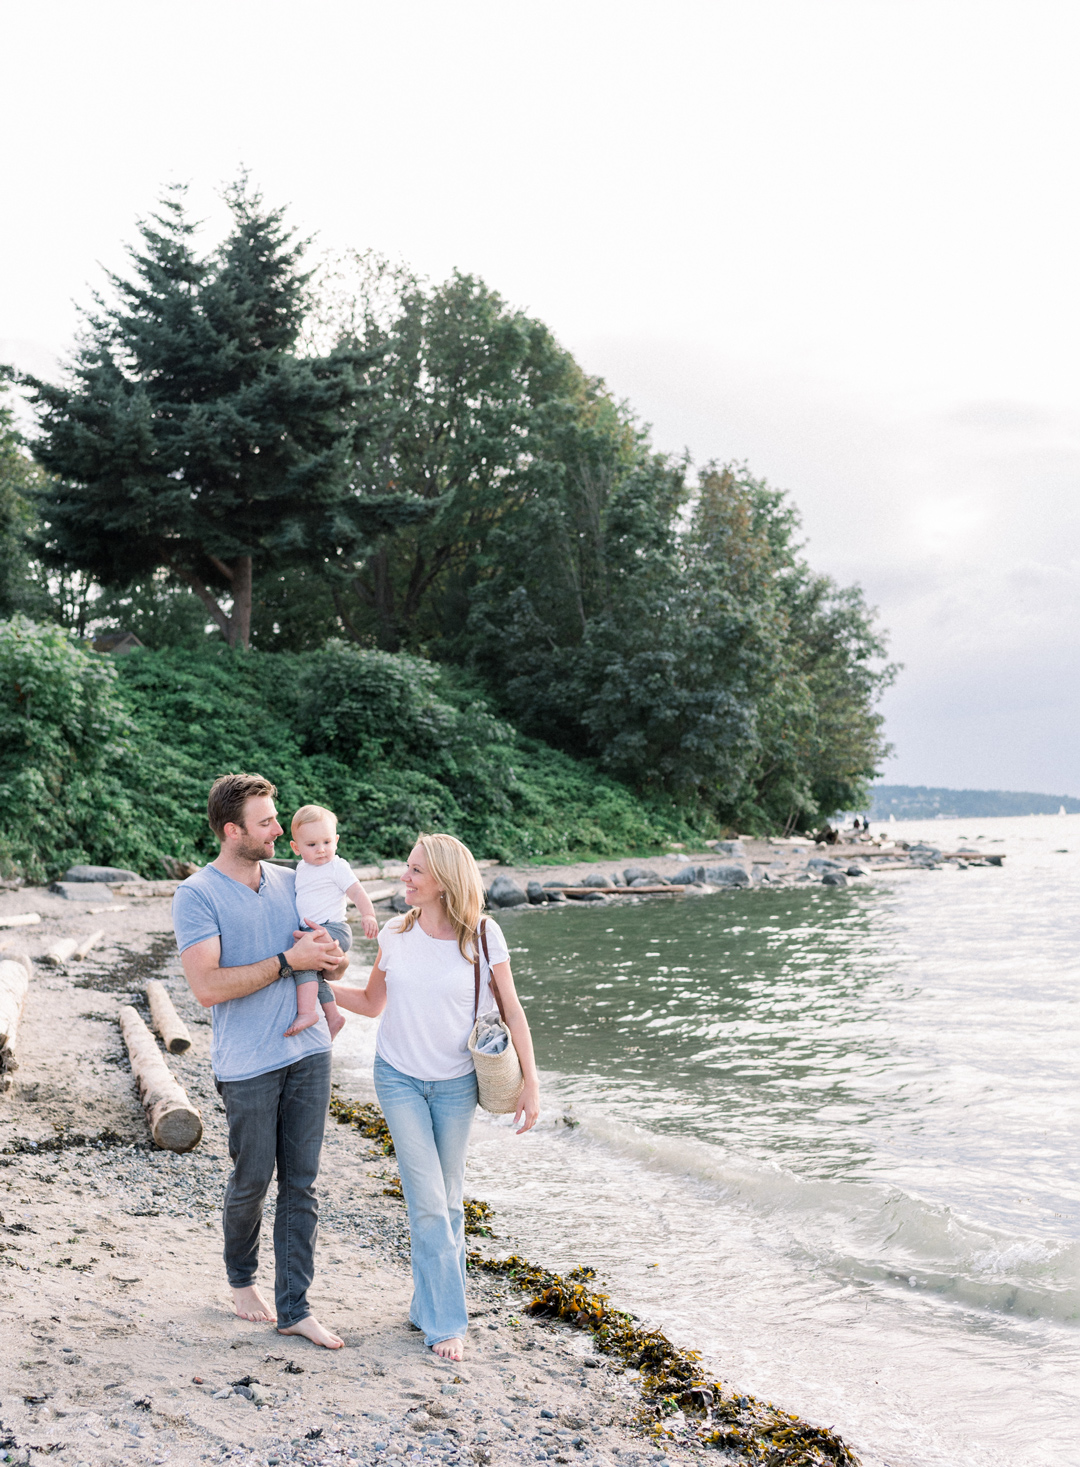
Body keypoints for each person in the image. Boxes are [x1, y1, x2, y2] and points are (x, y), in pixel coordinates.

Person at [329, 832, 541, 1363]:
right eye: (407, 867)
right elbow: (373, 1003)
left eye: (415, 870)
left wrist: (531, 1084)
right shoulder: (397, 935)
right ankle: (448, 1323)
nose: (404, 877)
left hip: (456, 1084)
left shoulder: (484, 937)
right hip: (397, 1076)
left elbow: (513, 1013)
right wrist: (313, 981)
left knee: (447, 1200)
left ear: (444, 881)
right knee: (427, 1201)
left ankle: (428, 1305)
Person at [172, 772, 346, 1348]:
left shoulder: (295, 880)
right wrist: (286, 960)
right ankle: (241, 1278)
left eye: (276, 818)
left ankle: (295, 1307)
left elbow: (325, 957)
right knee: (252, 1178)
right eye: (267, 821)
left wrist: (332, 960)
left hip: (309, 1050)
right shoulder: (197, 894)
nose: (279, 828)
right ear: (232, 831)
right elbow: (208, 988)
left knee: (303, 1183)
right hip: (247, 1062)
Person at [284, 804, 380, 1040]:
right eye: (312, 844)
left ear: (336, 840)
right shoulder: (301, 869)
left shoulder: (337, 866)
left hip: (333, 927)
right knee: (312, 975)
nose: (321, 850)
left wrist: (368, 914)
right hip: (313, 930)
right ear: (296, 848)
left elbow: (357, 892)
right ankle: (333, 1016)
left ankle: (307, 1012)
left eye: (327, 842)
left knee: (302, 964)